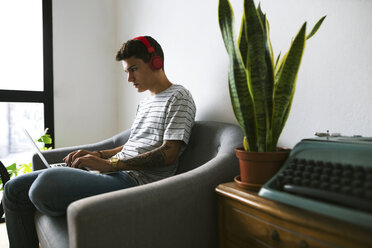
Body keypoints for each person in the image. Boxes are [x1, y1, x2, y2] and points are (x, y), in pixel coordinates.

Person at [2, 36, 196, 248]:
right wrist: (99, 155)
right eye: (127, 72)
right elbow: (132, 144)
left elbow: (168, 153)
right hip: (114, 172)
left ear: (155, 62)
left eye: (134, 69)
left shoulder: (179, 97)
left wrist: (110, 165)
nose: (130, 79)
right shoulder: (146, 102)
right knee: (12, 189)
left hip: (135, 183)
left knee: (43, 186)